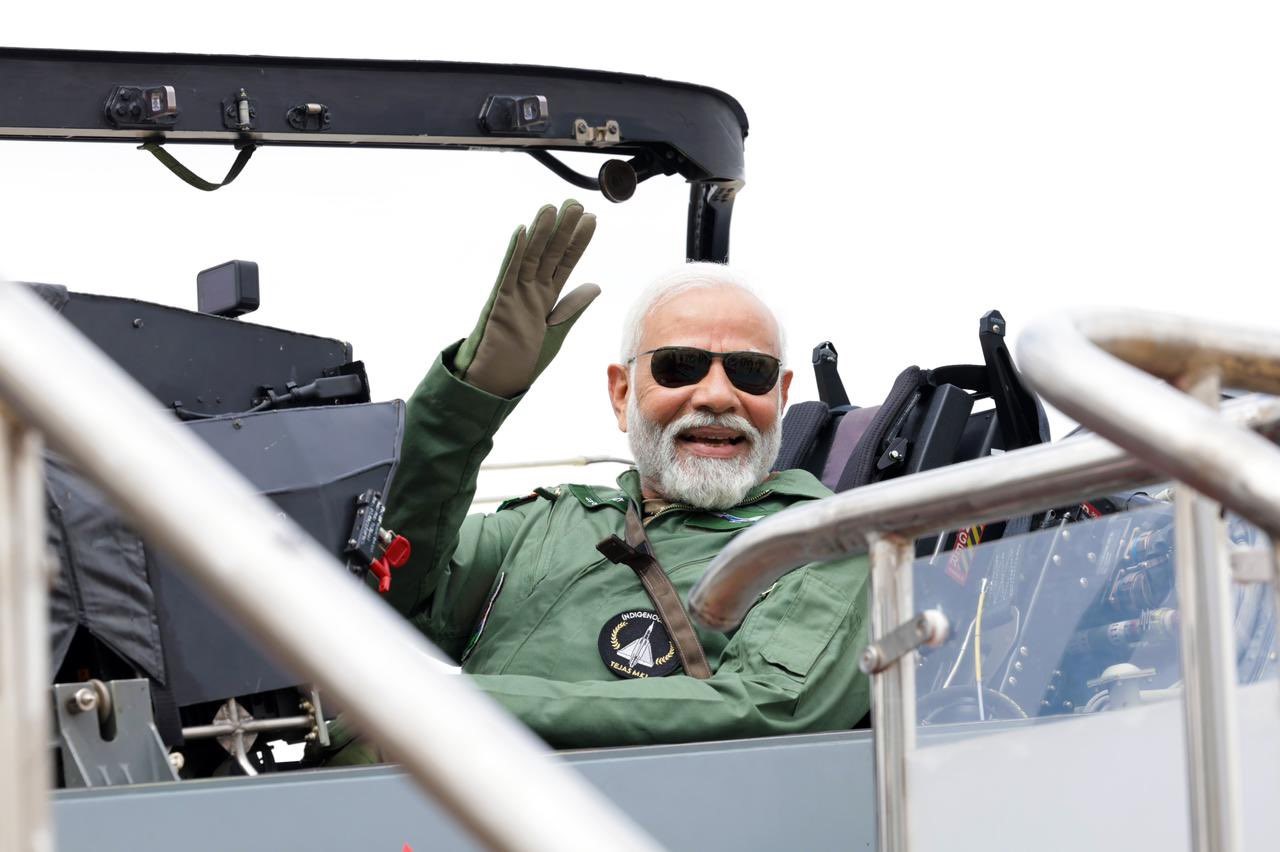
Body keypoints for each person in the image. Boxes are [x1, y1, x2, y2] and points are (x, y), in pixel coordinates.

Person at [327, 200, 869, 760]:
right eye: (679, 367)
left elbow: (772, 706)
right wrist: (470, 398)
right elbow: (382, 589)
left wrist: (446, 703)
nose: (716, 395)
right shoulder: (544, 526)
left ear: (780, 397)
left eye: (750, 372)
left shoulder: (822, 540)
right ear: (621, 392)